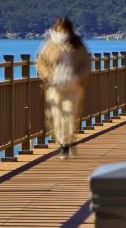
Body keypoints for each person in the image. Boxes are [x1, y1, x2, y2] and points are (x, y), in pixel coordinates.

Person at [36, 17, 91, 158]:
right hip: (54, 87)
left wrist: (79, 78)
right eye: (59, 30)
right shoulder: (49, 45)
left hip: (74, 86)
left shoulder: (77, 44)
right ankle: (62, 143)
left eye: (64, 30)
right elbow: (41, 62)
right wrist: (48, 76)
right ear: (55, 29)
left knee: (70, 115)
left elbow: (86, 63)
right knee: (57, 116)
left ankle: (67, 142)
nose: (62, 33)